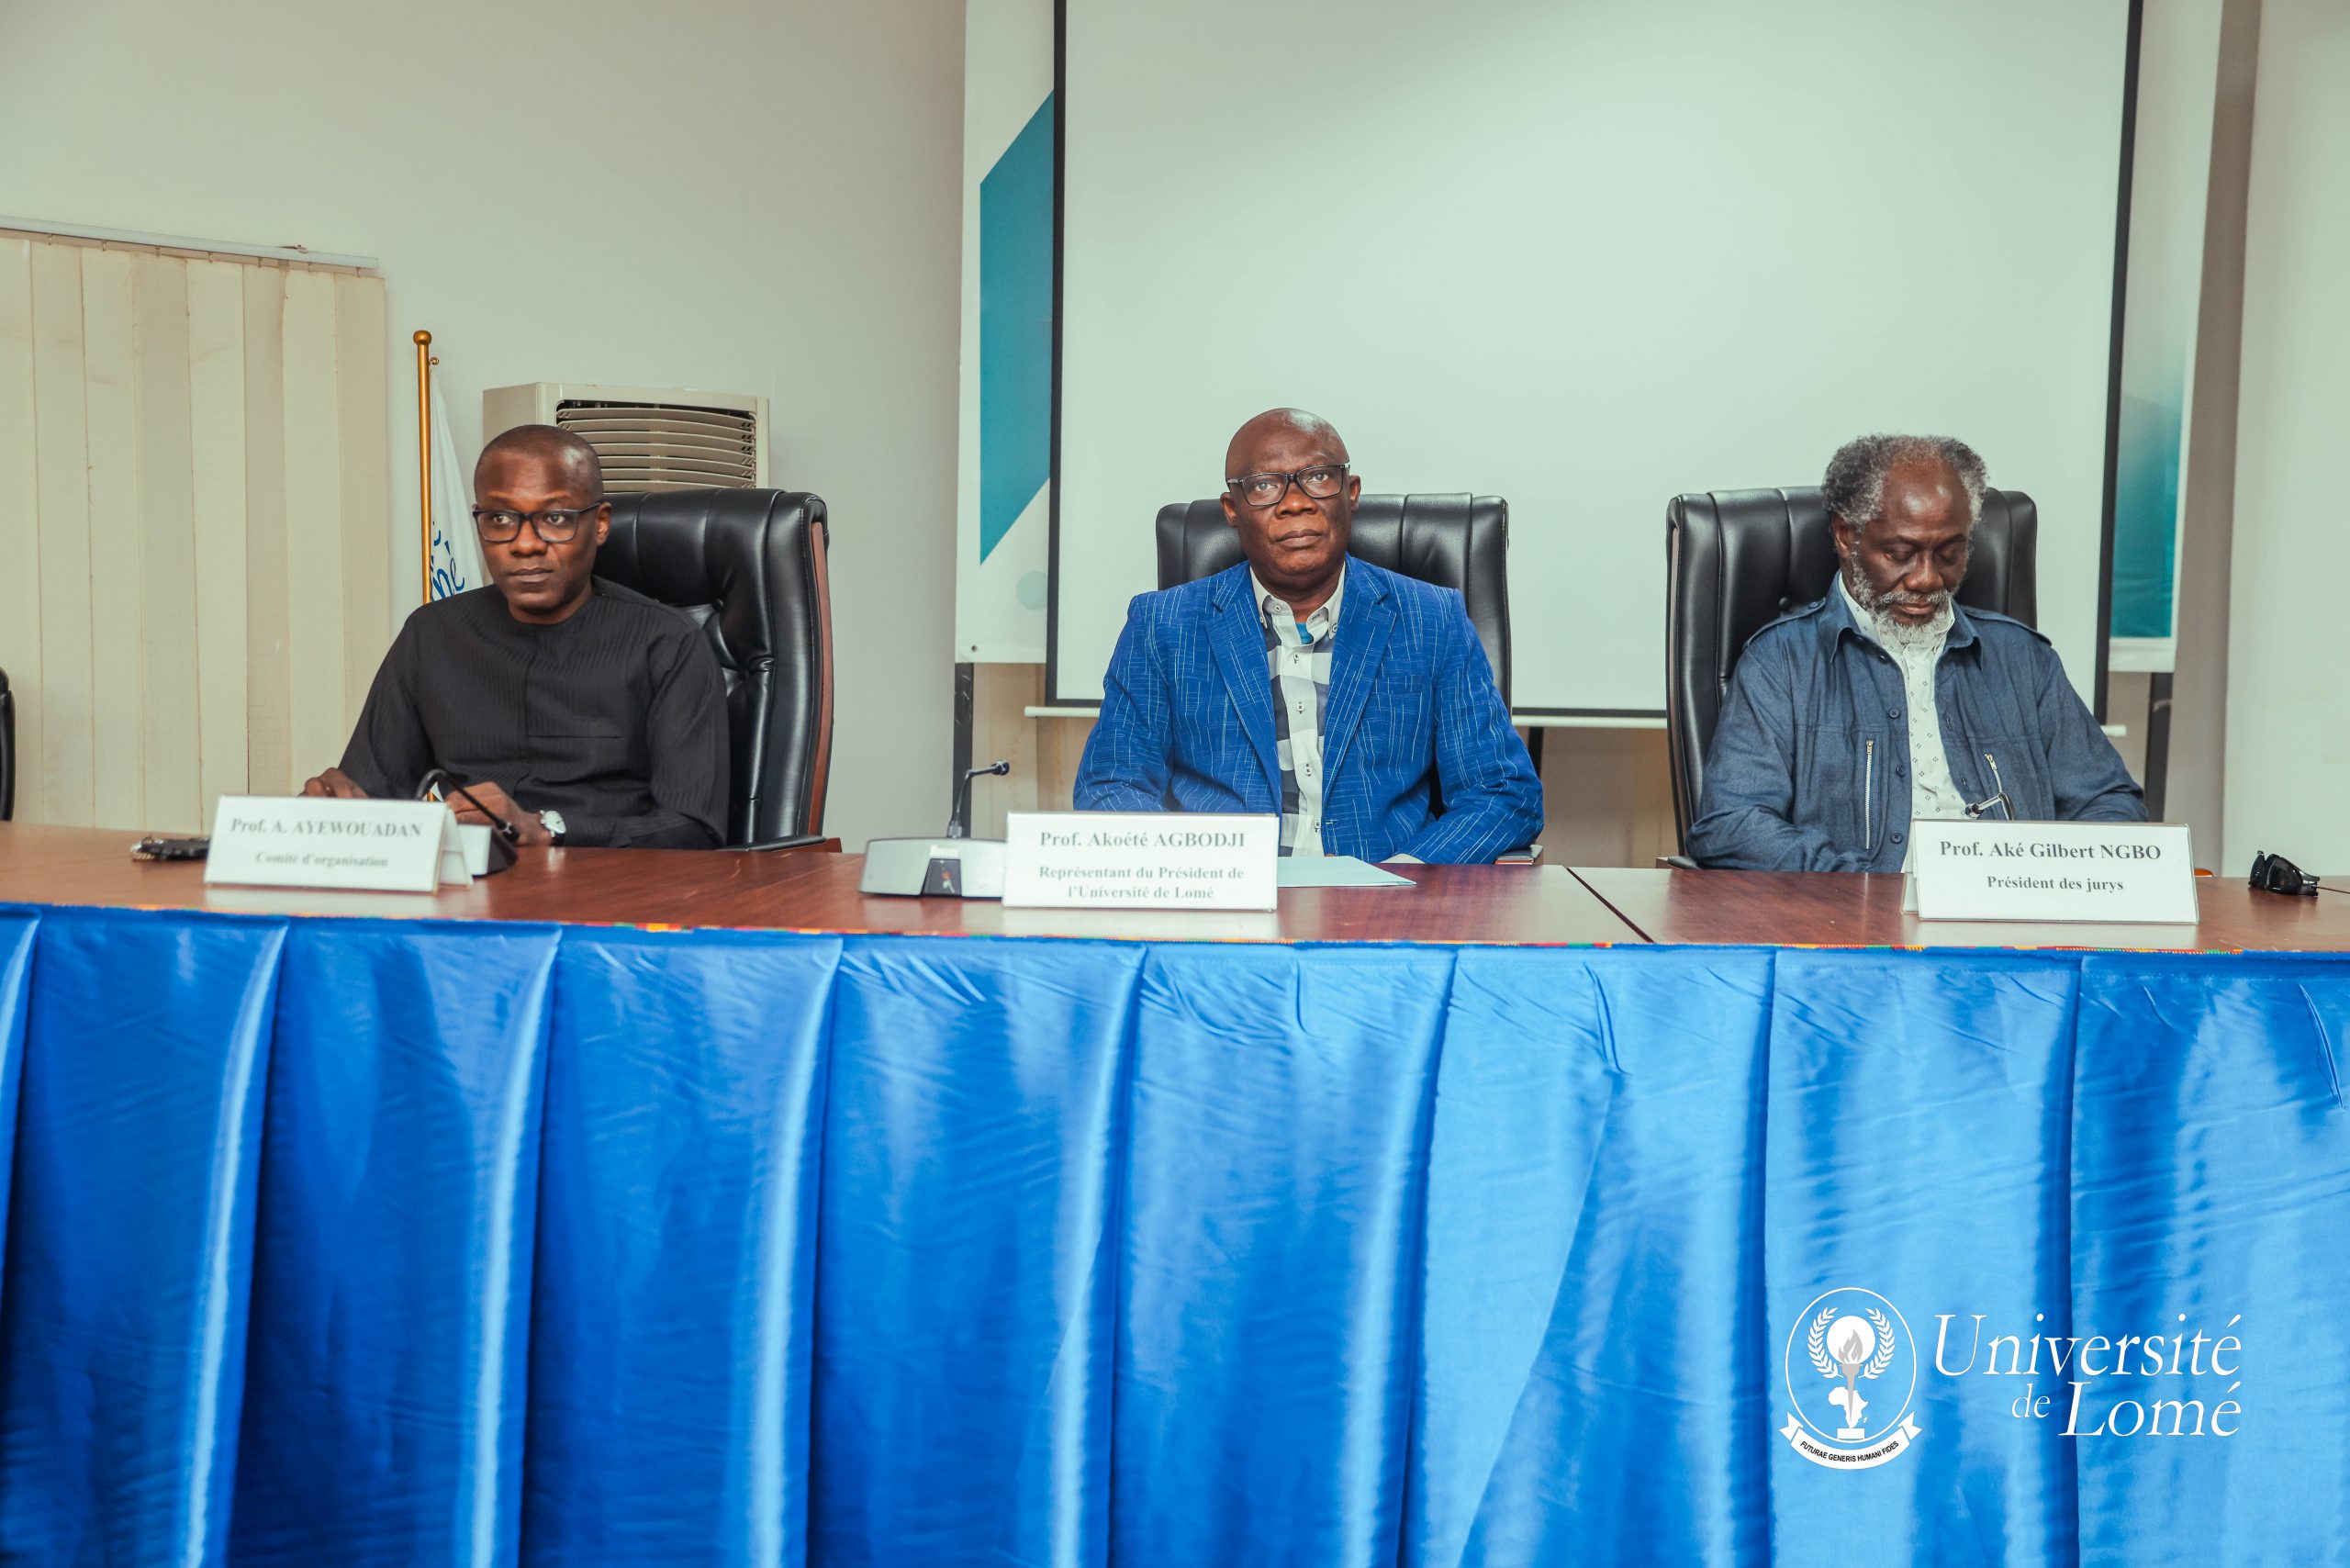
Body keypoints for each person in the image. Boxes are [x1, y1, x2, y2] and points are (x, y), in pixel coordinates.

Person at [1074, 408, 1543, 862]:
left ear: (1351, 492)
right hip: (1226, 911)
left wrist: (1407, 876)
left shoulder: (1430, 619)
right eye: (1263, 486)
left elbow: (1501, 793)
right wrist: (1196, 876)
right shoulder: (1162, 626)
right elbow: (1112, 785)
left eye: (1318, 477)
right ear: (1232, 510)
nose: (1295, 503)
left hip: (1385, 908)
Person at [1686, 433, 2144, 871]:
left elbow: (2111, 805)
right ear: (1847, 535)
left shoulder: (2024, 660)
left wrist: (2037, 880)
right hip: (1854, 934)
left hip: (2012, 930)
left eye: (1949, 553)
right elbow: (1734, 825)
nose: (1928, 579)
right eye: (1901, 553)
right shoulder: (1781, 663)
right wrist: (1872, 889)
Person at [302, 425, 728, 848]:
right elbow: (373, 794)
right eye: (501, 518)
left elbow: (693, 829)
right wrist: (336, 811)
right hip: (469, 889)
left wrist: (546, 829)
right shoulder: (432, 634)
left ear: (600, 524)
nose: (525, 545)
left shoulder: (668, 643)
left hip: (607, 893)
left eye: (555, 518)